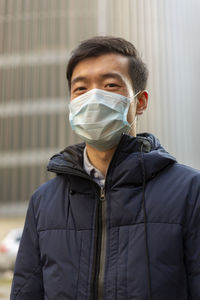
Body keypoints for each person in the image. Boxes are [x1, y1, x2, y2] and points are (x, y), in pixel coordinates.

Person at [11, 36, 200, 300]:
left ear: (140, 102)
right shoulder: (44, 201)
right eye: (80, 89)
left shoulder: (190, 191)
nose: (93, 98)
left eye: (110, 85)